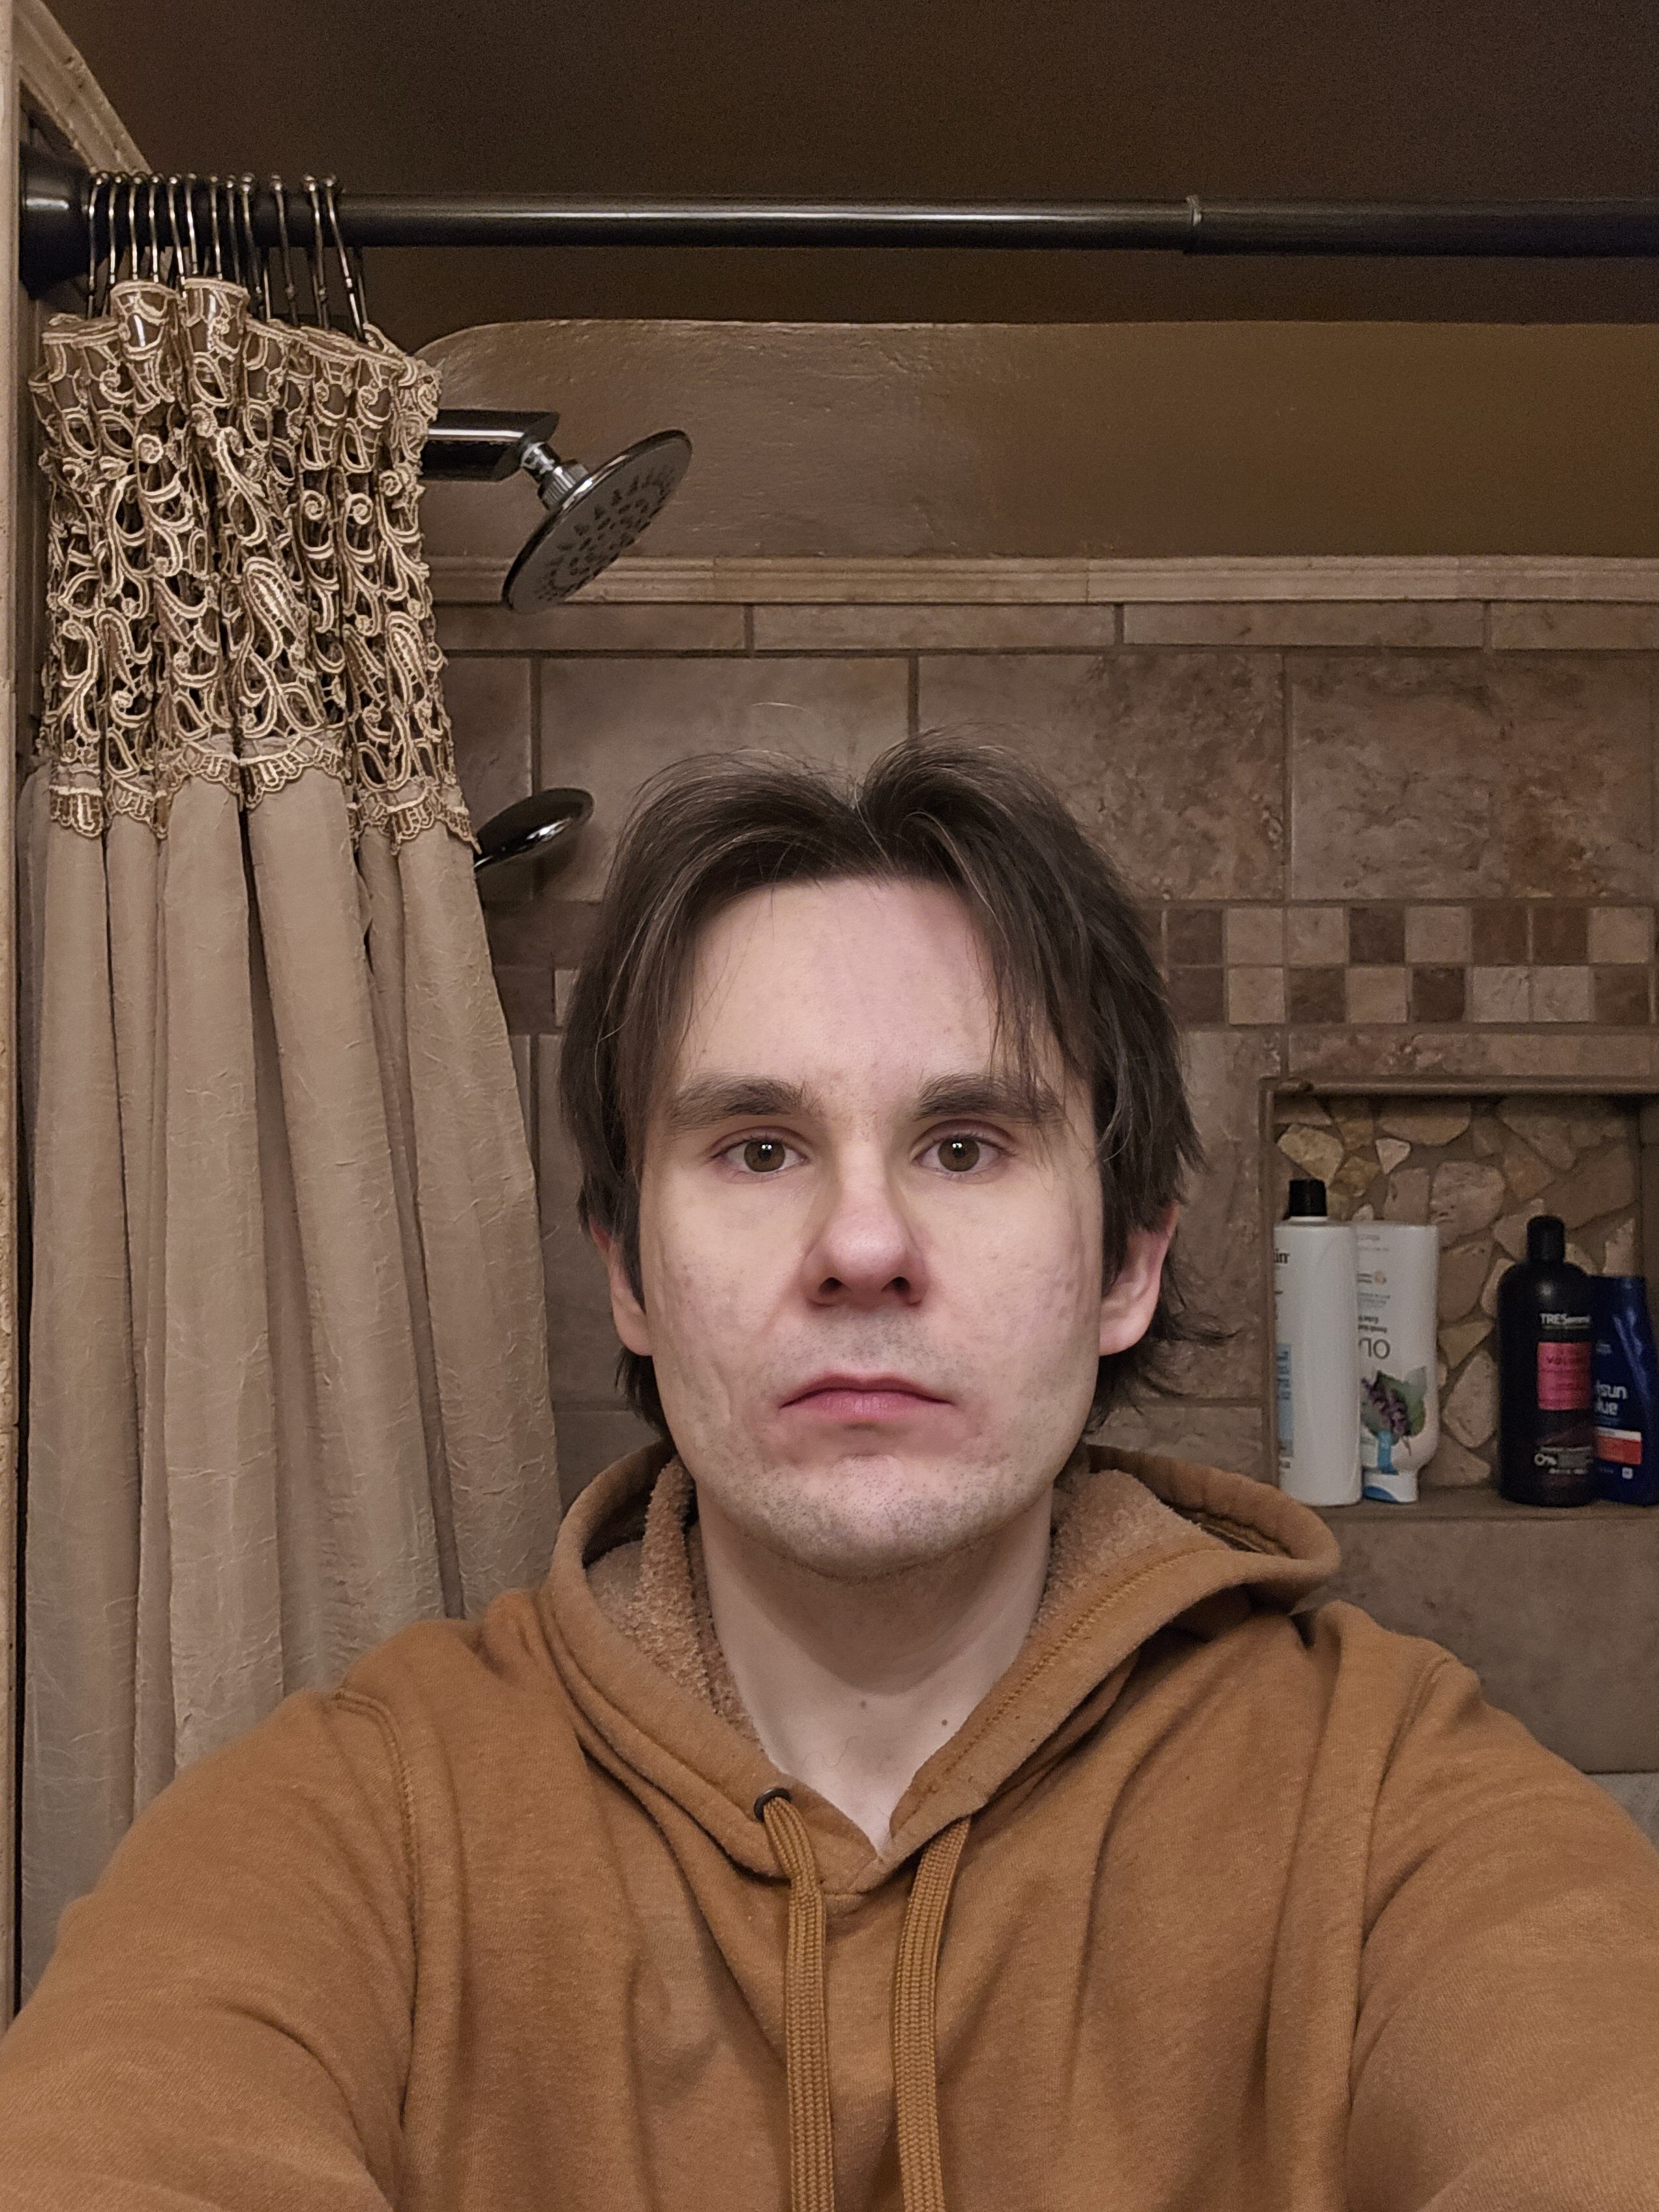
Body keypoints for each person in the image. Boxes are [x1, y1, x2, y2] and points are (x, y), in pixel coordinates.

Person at [3, 740, 1658, 2212]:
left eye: (966, 1144)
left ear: (1127, 1265)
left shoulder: (1391, 1803)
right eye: (758, 1146)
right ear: (629, 1274)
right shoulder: (353, 1821)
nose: (862, 1243)